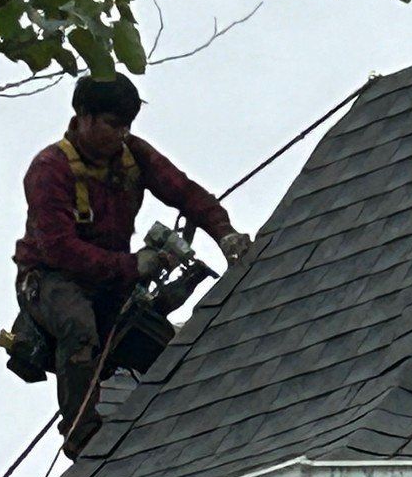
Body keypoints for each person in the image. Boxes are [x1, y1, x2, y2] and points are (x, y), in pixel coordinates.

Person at [14, 74, 251, 456]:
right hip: (52, 280)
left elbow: (184, 192)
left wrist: (224, 232)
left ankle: (187, 429)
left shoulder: (133, 156)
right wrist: (132, 266)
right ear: (84, 118)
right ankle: (81, 434)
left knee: (162, 346)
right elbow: (60, 251)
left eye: (127, 125)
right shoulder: (50, 170)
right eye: (112, 124)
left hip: (113, 280)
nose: (121, 134)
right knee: (79, 328)